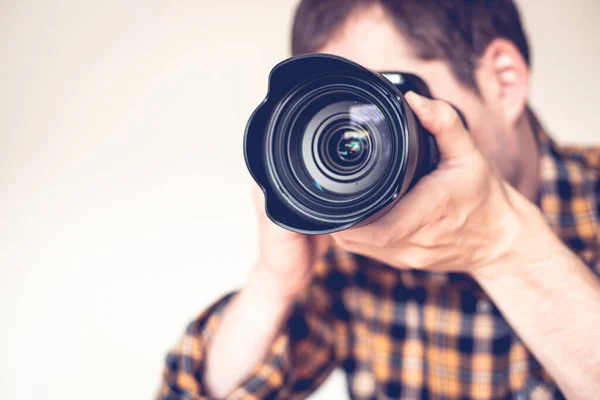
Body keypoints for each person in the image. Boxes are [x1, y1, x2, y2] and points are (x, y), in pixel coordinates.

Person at [156, 1, 600, 399]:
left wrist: (504, 248)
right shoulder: (358, 244)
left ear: (504, 82)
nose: (371, 134)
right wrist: (273, 283)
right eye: (342, 103)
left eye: (391, 94)